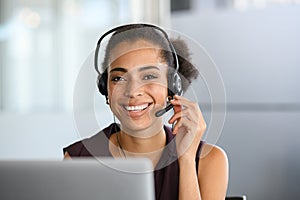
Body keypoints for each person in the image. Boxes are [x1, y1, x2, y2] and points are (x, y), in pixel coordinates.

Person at [64, 23, 228, 200]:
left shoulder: (208, 161)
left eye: (149, 76)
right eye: (118, 78)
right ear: (105, 88)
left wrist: (186, 160)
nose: (133, 91)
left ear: (172, 86)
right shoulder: (79, 159)